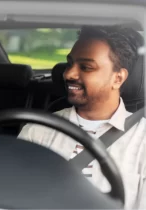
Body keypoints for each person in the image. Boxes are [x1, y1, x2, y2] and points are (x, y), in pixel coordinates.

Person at [18, 25, 146, 209]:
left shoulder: (142, 140)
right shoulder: (37, 131)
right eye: (70, 63)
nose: (68, 73)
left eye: (86, 67)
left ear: (118, 78)